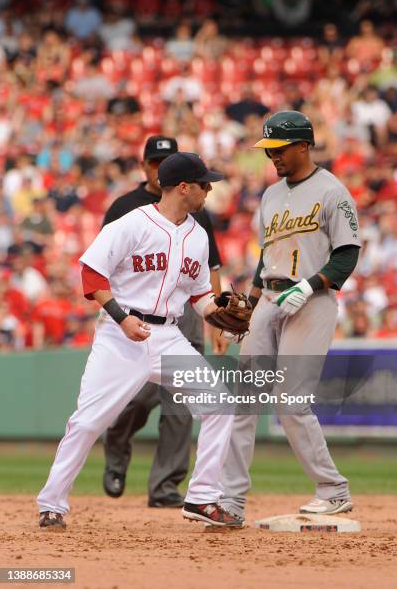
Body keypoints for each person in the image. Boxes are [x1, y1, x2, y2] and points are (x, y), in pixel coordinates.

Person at [37, 152, 243, 530]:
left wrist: (218, 310)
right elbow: (92, 274)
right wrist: (121, 317)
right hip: (121, 335)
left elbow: (197, 296)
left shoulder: (197, 234)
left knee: (220, 405)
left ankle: (202, 498)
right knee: (87, 422)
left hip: (167, 336)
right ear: (183, 187)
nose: (209, 189)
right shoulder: (131, 224)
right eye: (204, 183)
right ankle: (52, 503)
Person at [219, 111, 361, 520]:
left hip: (311, 302)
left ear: (303, 145)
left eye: (279, 149)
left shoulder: (333, 191)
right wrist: (251, 303)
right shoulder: (270, 195)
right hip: (271, 299)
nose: (273, 157)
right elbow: (268, 254)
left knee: (290, 401)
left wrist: (311, 285)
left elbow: (348, 253)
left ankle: (333, 490)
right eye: (269, 151)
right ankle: (230, 501)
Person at [102, 135, 226, 508]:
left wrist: (216, 320)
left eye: (167, 162)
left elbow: (210, 268)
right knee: (135, 397)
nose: (161, 169)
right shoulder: (125, 207)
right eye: (155, 163)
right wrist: (118, 317)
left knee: (181, 404)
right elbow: (103, 267)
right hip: (136, 315)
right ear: (144, 167)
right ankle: (117, 448)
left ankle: (166, 486)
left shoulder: (195, 209)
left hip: (184, 313)